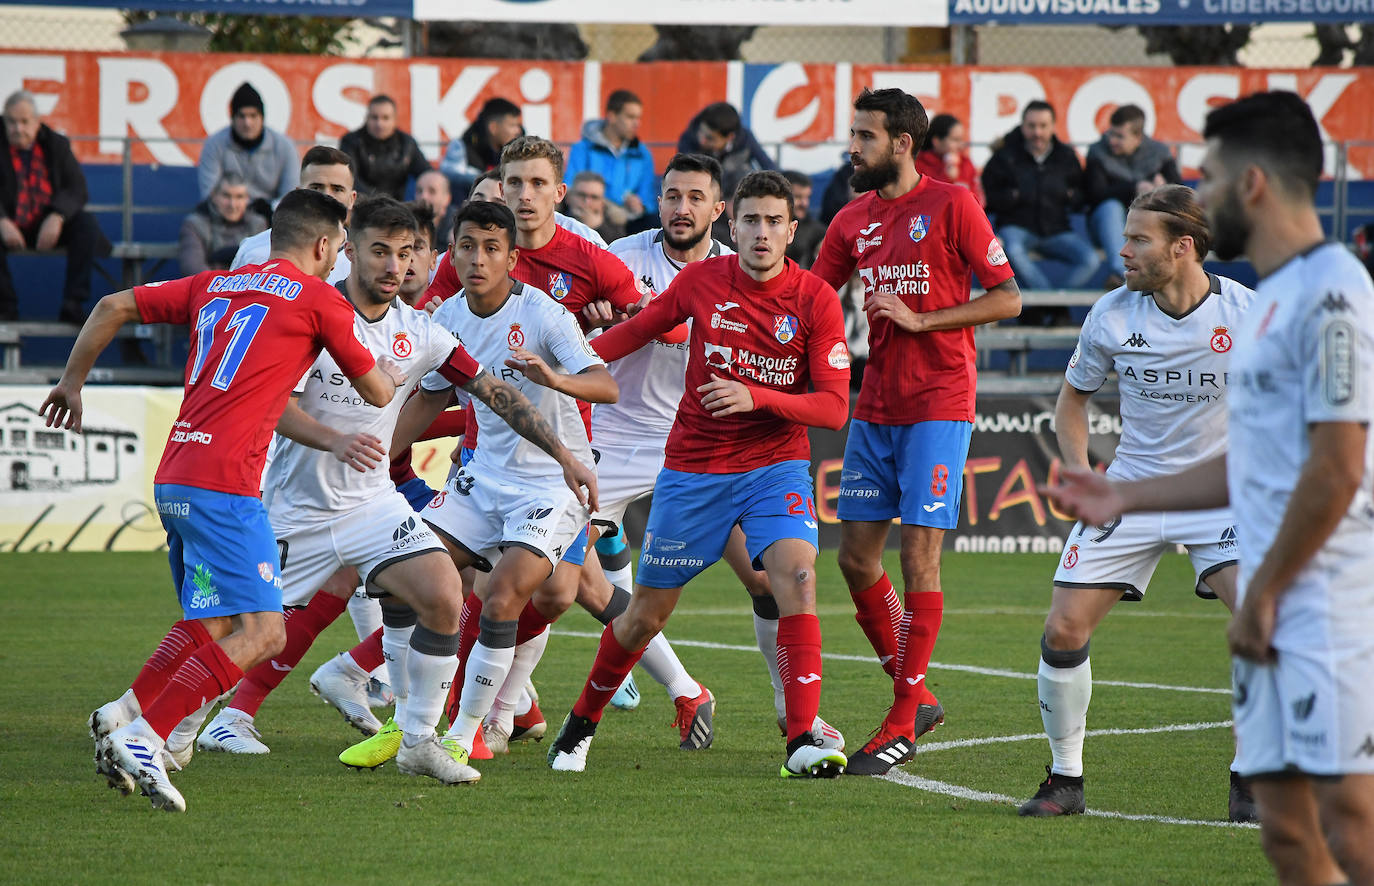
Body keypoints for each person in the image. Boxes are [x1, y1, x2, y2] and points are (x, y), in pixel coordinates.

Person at [1046, 91, 1374, 885]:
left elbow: (1336, 467)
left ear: (1252, 184)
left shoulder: (1322, 300)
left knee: (1353, 833)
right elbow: (1253, 457)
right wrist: (1122, 496)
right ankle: (1065, 778)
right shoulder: (1275, 301)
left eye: (1214, 175)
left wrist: (1264, 592)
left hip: (1322, 603)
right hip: (1230, 543)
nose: (1204, 187)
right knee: (1291, 841)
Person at [191, 198, 593, 779]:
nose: (394, 267)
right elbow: (273, 404)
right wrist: (333, 442)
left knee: (440, 592)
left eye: (406, 254)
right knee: (244, 627)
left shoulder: (422, 329)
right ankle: (161, 723)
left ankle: (422, 738)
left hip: (377, 502)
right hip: (300, 505)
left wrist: (565, 456)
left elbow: (490, 393)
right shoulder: (310, 312)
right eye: (380, 251)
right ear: (348, 249)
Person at [62, 188, 401, 812]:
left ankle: (125, 716)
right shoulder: (321, 299)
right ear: (326, 246)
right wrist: (395, 368)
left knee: (212, 620)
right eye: (339, 253)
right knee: (266, 631)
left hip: (175, 475)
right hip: (227, 485)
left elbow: (111, 304)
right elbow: (378, 392)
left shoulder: (216, 284)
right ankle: (147, 735)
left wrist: (71, 384)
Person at [545, 170, 853, 779]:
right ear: (730, 225)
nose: (761, 233)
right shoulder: (702, 280)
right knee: (644, 616)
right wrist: (561, 364)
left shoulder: (816, 298)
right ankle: (580, 724)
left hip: (775, 465)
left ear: (792, 230)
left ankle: (799, 738)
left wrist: (756, 397)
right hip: (694, 469)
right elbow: (636, 330)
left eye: (774, 222)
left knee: (795, 576)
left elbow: (834, 406)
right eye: (751, 220)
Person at [1014, 184, 1257, 822]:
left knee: (1262, 623)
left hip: (1223, 498)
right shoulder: (1113, 314)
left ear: (1182, 248)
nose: (1121, 251)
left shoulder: (1249, 314)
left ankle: (1252, 777)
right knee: (1062, 629)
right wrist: (1079, 474)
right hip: (1131, 490)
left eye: (1137, 240)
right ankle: (1065, 781)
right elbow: (1073, 402)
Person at [810, 87, 1021, 775]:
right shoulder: (850, 220)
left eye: (864, 136)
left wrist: (924, 319)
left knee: (918, 559)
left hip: (939, 399)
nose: (854, 147)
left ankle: (901, 719)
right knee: (853, 559)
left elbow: (1008, 297)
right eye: (853, 135)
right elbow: (811, 299)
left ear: (902, 143)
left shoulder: (953, 204)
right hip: (875, 402)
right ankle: (918, 692)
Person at [391, 198, 616, 766]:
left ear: (512, 258)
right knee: (408, 575)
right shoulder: (446, 320)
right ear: (453, 252)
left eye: (492, 248)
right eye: (467, 246)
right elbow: (432, 397)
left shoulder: (544, 315)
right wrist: (378, 454)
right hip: (480, 479)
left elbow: (604, 385)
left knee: (504, 598)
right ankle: (409, 722)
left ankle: (468, 732)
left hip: (549, 484)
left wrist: (557, 379)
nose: (477, 259)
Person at [0, 89, 111, 323]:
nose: (17, 128)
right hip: (7, 224)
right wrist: (1, 220)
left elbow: (77, 189)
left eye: (24, 121)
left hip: (47, 225)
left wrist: (57, 216)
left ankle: (73, 303)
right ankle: (5, 308)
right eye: (11, 121)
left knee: (86, 225)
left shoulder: (56, 144)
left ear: (37, 122)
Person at [981, 100, 1096, 307]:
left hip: (1057, 230)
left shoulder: (1066, 156)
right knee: (1011, 249)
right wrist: (1011, 197)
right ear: (1023, 125)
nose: (1037, 132)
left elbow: (1081, 193)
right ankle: (1051, 305)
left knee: (1090, 259)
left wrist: (1070, 196)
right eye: (1031, 126)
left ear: (1053, 126)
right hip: (1017, 227)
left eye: (1043, 126)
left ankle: (1049, 304)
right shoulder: (1005, 156)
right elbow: (990, 195)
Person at [1084, 105, 1182, 290]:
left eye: (1119, 136)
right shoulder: (1098, 151)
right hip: (1104, 227)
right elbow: (1095, 195)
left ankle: (1153, 277)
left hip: (1146, 228)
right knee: (1111, 207)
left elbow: (1180, 193)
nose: (1112, 140)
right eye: (1111, 133)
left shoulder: (1159, 153)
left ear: (1138, 137)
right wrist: (1134, 188)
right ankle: (1122, 274)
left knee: (1160, 212)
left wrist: (1161, 189)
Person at [232, 146, 357, 285]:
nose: (326, 195)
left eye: (337, 189)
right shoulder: (253, 250)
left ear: (352, 199)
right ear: (298, 192)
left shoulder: (362, 262)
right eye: (315, 187)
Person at [677, 102, 777, 245]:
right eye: (701, 132)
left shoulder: (745, 139)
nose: (702, 140)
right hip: (705, 204)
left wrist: (744, 196)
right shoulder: (688, 141)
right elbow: (686, 179)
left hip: (738, 202)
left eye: (710, 138)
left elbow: (770, 169)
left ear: (729, 137)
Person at [197, 83, 299, 216]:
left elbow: (291, 198)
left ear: (262, 118)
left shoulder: (285, 146)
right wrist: (239, 207)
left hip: (272, 220)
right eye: (241, 116)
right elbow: (209, 195)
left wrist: (269, 208)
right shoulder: (214, 145)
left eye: (253, 115)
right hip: (225, 218)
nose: (247, 123)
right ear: (232, 118)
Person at [564, 89, 657, 231]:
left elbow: (649, 197)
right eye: (630, 117)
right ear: (612, 116)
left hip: (630, 220)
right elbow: (571, 187)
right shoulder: (582, 149)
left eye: (638, 118)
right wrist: (607, 205)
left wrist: (641, 205)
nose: (637, 124)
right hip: (592, 212)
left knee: (655, 222)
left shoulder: (643, 154)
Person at [466, 168, 608, 249]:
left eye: (498, 202)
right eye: (479, 200)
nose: (486, 208)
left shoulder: (582, 236)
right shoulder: (457, 251)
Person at [338, 95, 432, 200]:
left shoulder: (407, 143)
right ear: (366, 118)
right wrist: (378, 201)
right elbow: (349, 179)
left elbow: (427, 173)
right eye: (374, 117)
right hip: (360, 206)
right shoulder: (351, 142)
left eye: (385, 118)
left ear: (395, 120)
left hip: (398, 208)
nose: (379, 123)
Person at [179, 172, 267, 275]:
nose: (232, 205)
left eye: (239, 197)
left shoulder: (258, 224)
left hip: (246, 289)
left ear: (247, 199)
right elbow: (193, 269)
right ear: (213, 195)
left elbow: (263, 269)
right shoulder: (194, 225)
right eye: (226, 196)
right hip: (208, 289)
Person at [439, 97, 522, 196]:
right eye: (512, 125)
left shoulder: (516, 151)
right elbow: (449, 175)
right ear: (493, 127)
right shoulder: (462, 147)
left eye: (518, 126)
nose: (518, 131)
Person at [914, 113, 984, 207]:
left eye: (961, 140)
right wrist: (947, 178)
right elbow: (923, 201)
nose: (960, 145)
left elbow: (979, 200)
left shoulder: (965, 163)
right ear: (937, 141)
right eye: (955, 140)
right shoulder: (919, 164)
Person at [564, 171, 626, 244]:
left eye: (594, 197)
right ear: (569, 197)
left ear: (602, 203)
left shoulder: (615, 226)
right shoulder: (554, 217)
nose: (587, 201)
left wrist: (598, 228)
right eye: (581, 195)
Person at [782, 170, 824, 269]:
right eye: (798, 197)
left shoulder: (817, 232)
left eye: (807, 197)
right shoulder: (764, 229)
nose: (804, 204)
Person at [416, 169, 456, 251]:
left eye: (432, 191)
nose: (423, 196)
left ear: (447, 198)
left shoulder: (457, 225)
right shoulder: (407, 222)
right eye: (419, 191)